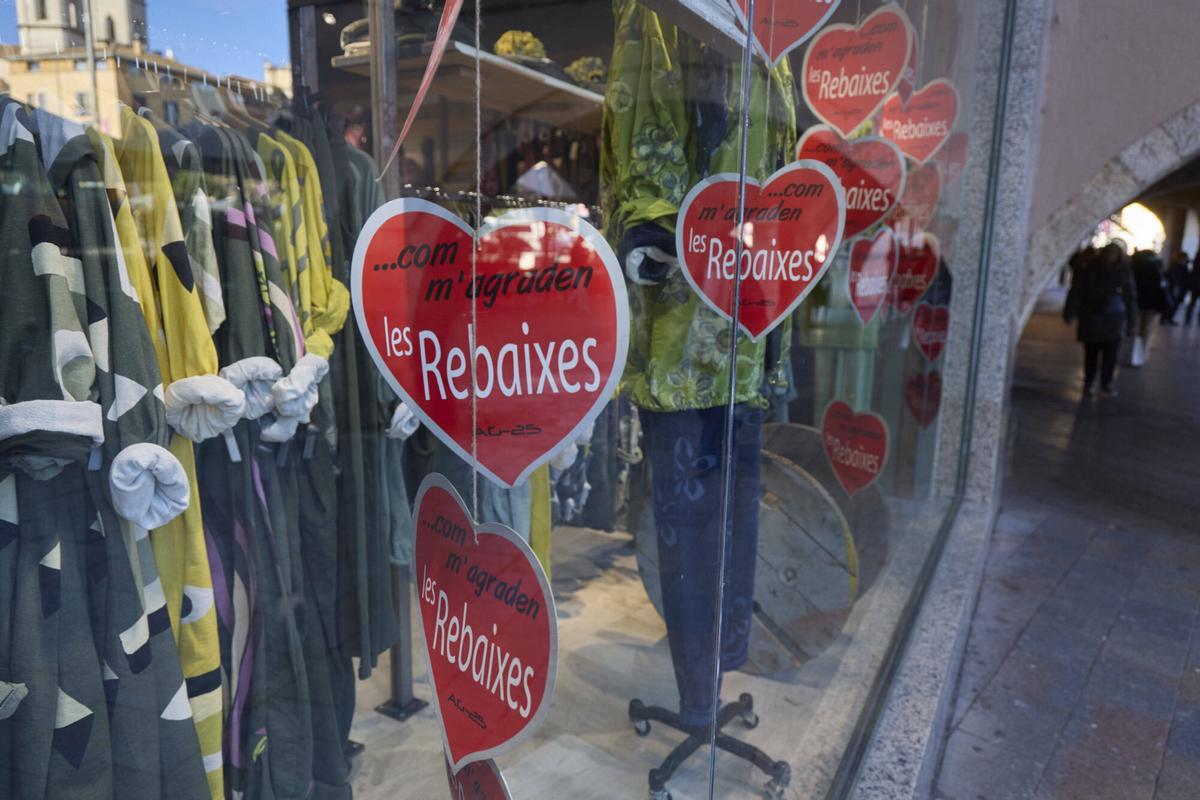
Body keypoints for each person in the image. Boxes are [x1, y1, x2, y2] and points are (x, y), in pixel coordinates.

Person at [1064, 243, 1137, 396]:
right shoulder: (1089, 270)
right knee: (1091, 353)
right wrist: (1070, 311)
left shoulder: (1123, 272)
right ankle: (1089, 382)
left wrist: (1132, 322)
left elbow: (1130, 298)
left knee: (1110, 354)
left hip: (1113, 319)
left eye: (1113, 254)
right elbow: (1077, 292)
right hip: (1093, 317)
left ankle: (1106, 383)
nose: (1110, 257)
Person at [1164, 250, 1190, 324]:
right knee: (1171, 304)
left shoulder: (1183, 267)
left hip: (1180, 287)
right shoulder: (1175, 266)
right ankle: (1165, 318)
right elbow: (1173, 277)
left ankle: (1169, 318)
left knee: (1175, 305)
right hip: (1176, 287)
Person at [1187, 252, 1200, 325]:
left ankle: (1188, 319)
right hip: (1196, 285)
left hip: (1195, 285)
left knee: (1192, 303)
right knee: (1192, 303)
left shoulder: (1196, 261)